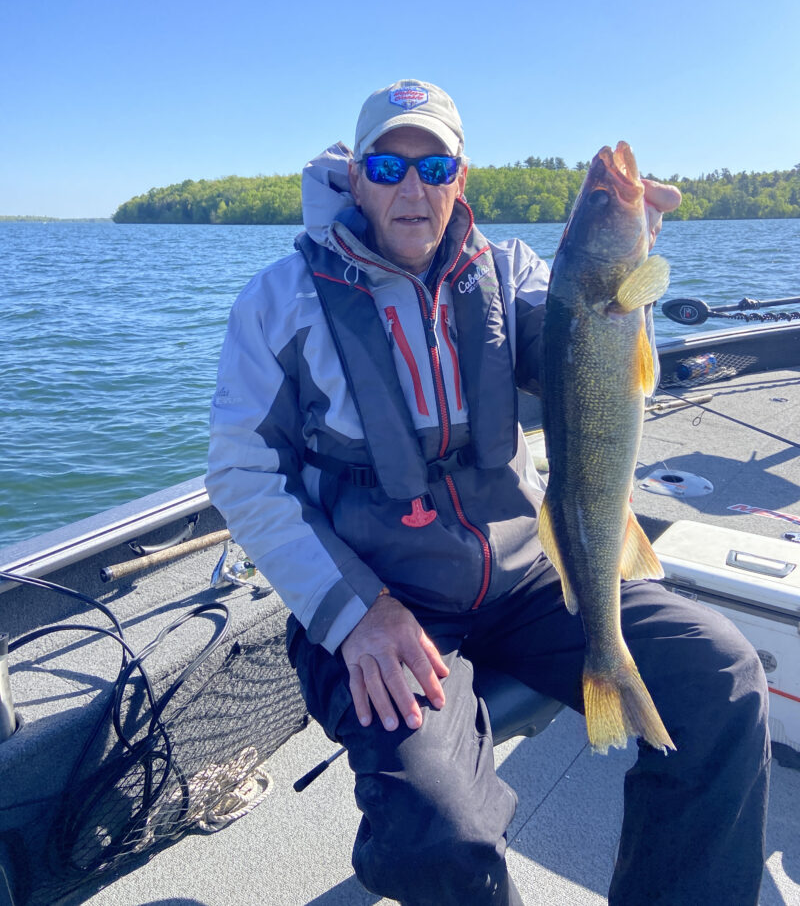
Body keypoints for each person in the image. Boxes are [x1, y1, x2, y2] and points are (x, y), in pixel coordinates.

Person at [206, 79, 769, 906]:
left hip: (529, 574)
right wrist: (357, 613)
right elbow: (242, 472)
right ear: (354, 177)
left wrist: (634, 245)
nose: (411, 186)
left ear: (459, 180)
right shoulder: (279, 303)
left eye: (434, 166)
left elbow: (585, 350)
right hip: (386, 604)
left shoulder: (510, 272)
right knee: (444, 830)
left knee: (722, 676)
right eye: (388, 164)